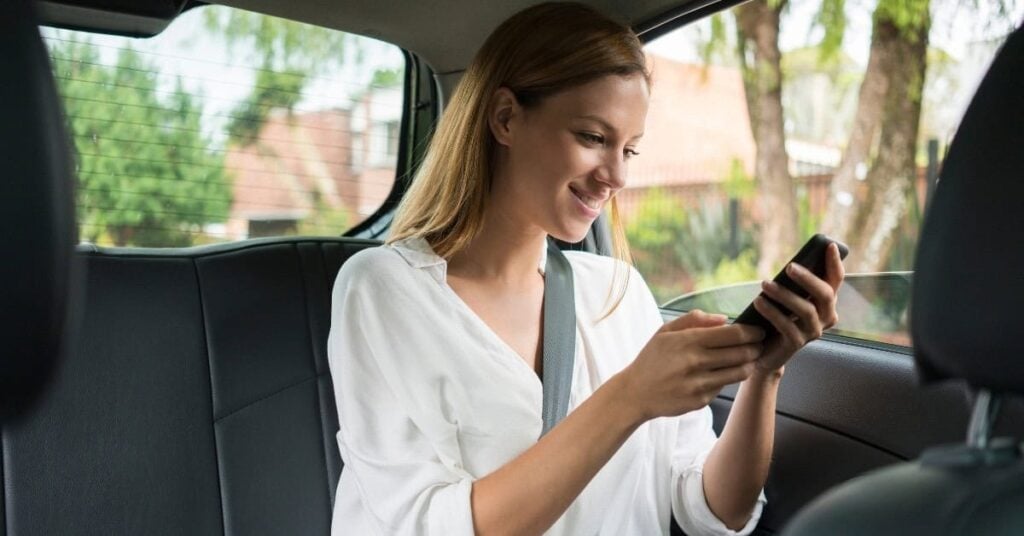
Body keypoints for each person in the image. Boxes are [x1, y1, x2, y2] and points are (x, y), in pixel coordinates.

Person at [327, 2, 844, 535]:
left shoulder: (617, 293)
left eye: (631, 149)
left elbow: (712, 510)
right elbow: (428, 524)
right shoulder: (384, 289)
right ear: (505, 118)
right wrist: (630, 397)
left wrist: (766, 371)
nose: (616, 174)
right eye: (593, 138)